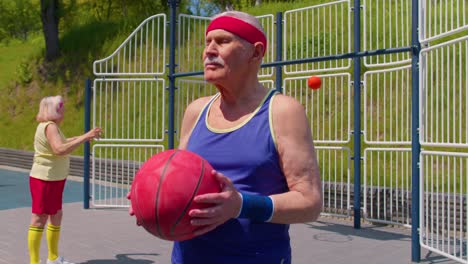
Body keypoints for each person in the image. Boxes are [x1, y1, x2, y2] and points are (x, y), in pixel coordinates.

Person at [128, 10, 322, 264]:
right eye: (207, 42)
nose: (209, 50)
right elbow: (178, 179)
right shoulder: (196, 111)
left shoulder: (282, 111)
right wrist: (150, 194)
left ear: (256, 52)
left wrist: (241, 205)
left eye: (222, 41)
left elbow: (310, 202)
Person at [28, 95, 102, 264]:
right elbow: (60, 149)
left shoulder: (51, 127)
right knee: (39, 218)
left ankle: (53, 258)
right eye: (61, 108)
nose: (64, 111)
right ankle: (34, 261)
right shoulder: (50, 127)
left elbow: (62, 142)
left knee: (56, 214)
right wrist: (85, 137)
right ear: (54, 111)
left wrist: (83, 136)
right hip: (45, 179)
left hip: (53, 178)